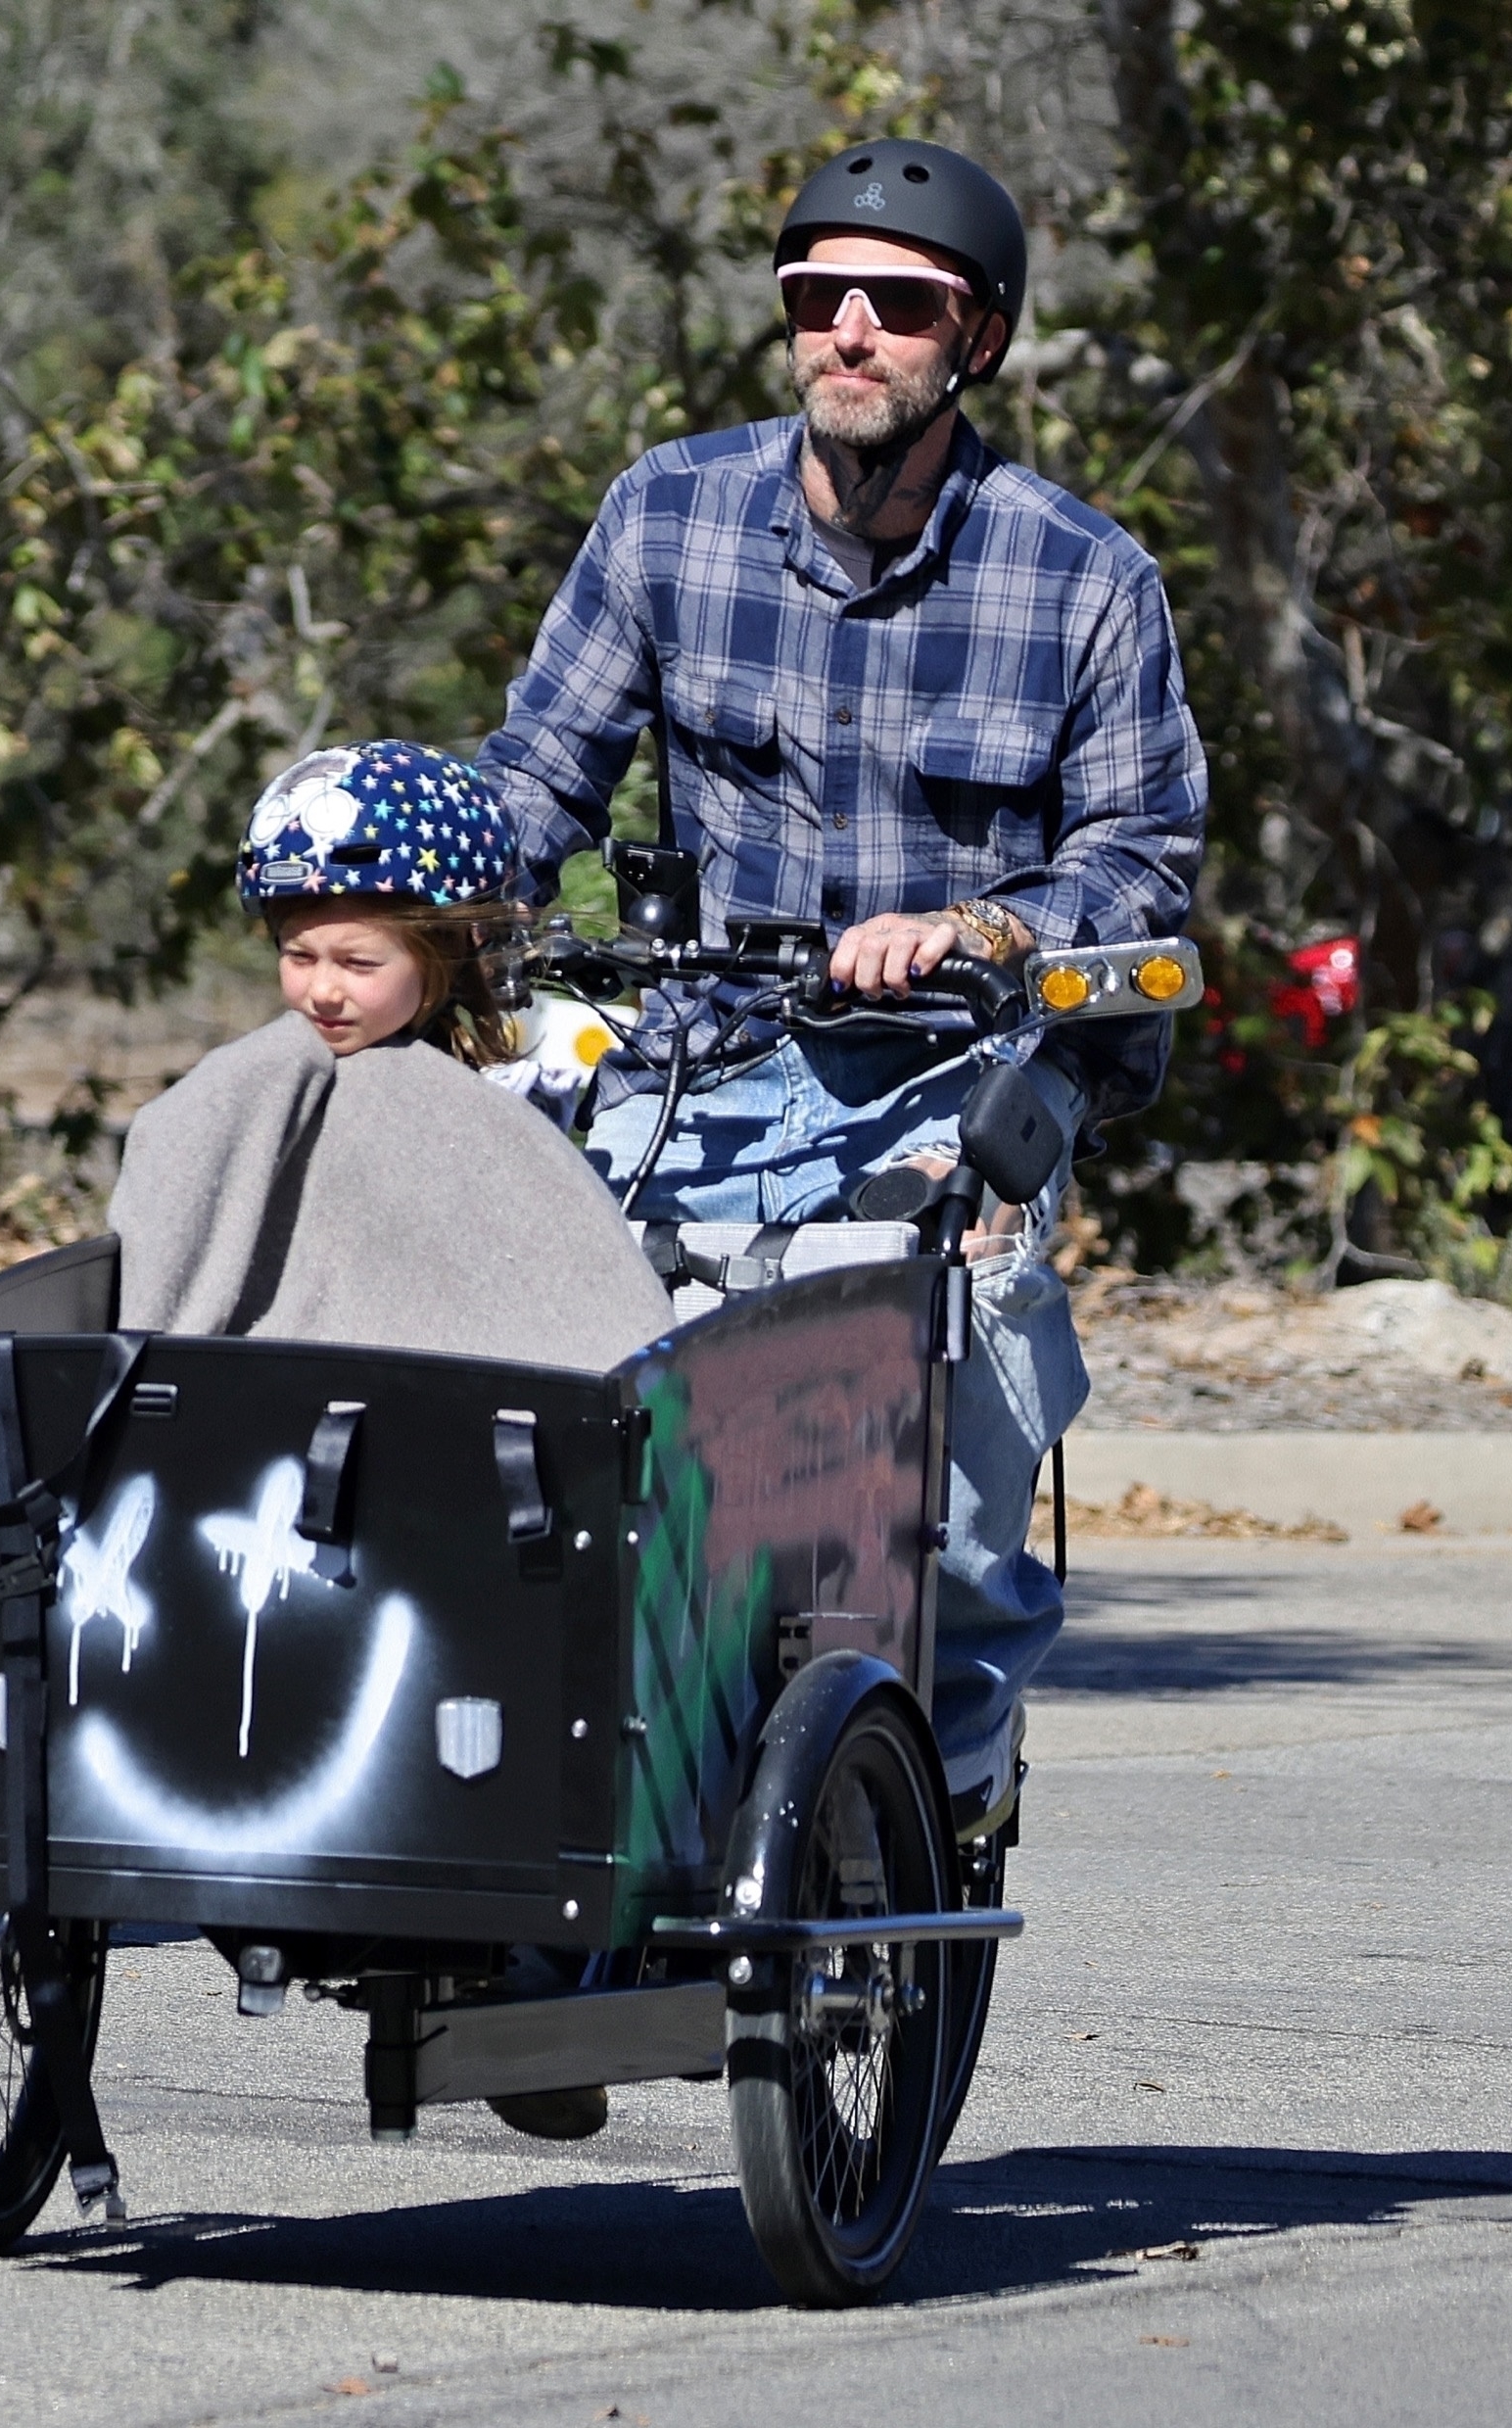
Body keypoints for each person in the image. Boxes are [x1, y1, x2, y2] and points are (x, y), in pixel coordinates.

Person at [476, 138, 1209, 1812]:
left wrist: (977, 931)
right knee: (557, 1433)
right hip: (697, 1061)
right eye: (820, 297)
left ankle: (934, 1810)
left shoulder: (1084, 579)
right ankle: (555, 1873)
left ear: (981, 339)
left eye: (902, 303)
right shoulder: (668, 512)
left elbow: (1138, 863)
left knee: (944, 1496)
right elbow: (540, 777)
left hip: (957, 1082)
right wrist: (411, 901)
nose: (852, 330)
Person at [111, 740, 673, 1371]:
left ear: (449, 952)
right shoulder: (254, 1090)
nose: (322, 990)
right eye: (298, 956)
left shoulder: (485, 1129)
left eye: (358, 963)